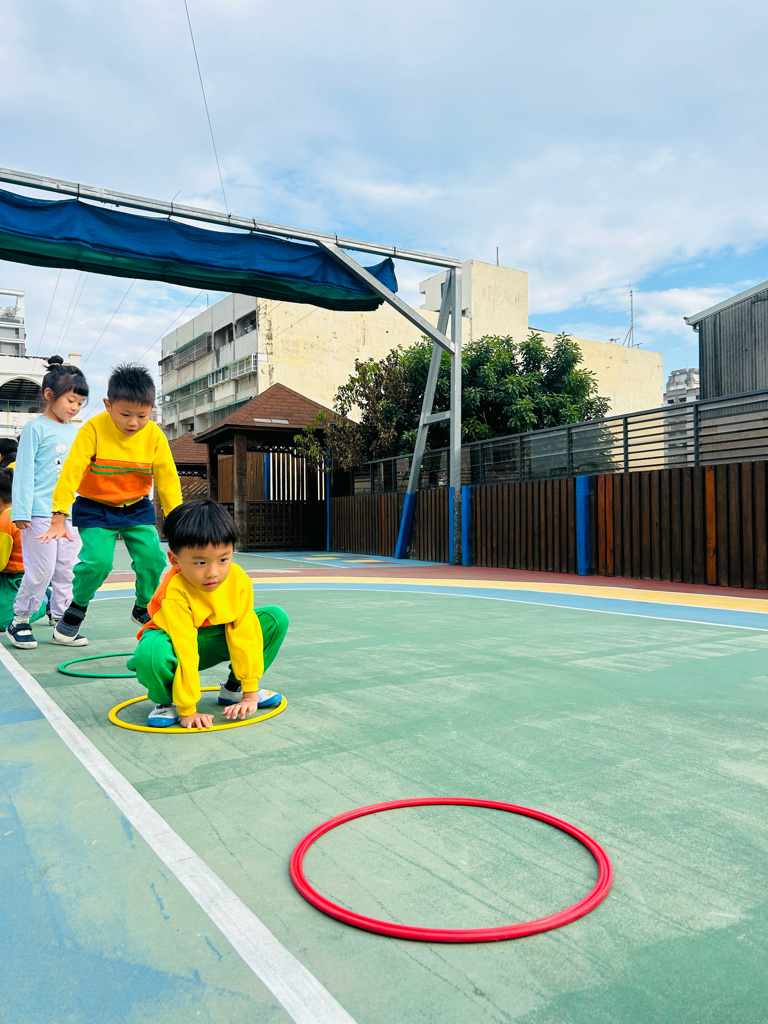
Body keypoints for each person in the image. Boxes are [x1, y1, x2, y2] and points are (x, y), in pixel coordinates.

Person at [39, 363, 182, 646]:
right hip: (95, 507)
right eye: (125, 414)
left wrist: (178, 521)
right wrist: (59, 513)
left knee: (153, 558)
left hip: (135, 506)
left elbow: (167, 478)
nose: (133, 423)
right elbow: (72, 471)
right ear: (108, 405)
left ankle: (143, 605)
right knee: (98, 562)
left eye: (142, 416)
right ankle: (76, 608)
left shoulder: (154, 435)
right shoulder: (93, 429)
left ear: (151, 409)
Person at [127, 500, 289, 730]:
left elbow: (245, 632)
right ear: (175, 560)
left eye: (223, 559)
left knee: (274, 619)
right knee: (151, 652)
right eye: (201, 562)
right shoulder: (174, 591)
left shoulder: (238, 579)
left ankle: (234, 689)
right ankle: (166, 701)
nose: (213, 573)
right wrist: (188, 710)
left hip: (215, 638)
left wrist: (250, 694)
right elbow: (185, 648)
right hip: (175, 643)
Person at [5, 356, 88, 649]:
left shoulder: (76, 433)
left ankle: (62, 621)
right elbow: (24, 471)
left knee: (68, 569)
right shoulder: (35, 428)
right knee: (41, 570)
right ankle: (20, 620)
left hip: (69, 514)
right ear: (50, 395)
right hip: (39, 513)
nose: (75, 407)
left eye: (80, 403)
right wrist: (21, 510)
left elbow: (79, 475)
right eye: (70, 400)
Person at [0, 469, 48, 632]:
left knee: (3, 621)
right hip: (31, 572)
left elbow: (0, 563)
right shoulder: (30, 513)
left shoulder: (4, 521)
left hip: (14, 578)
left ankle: (43, 601)